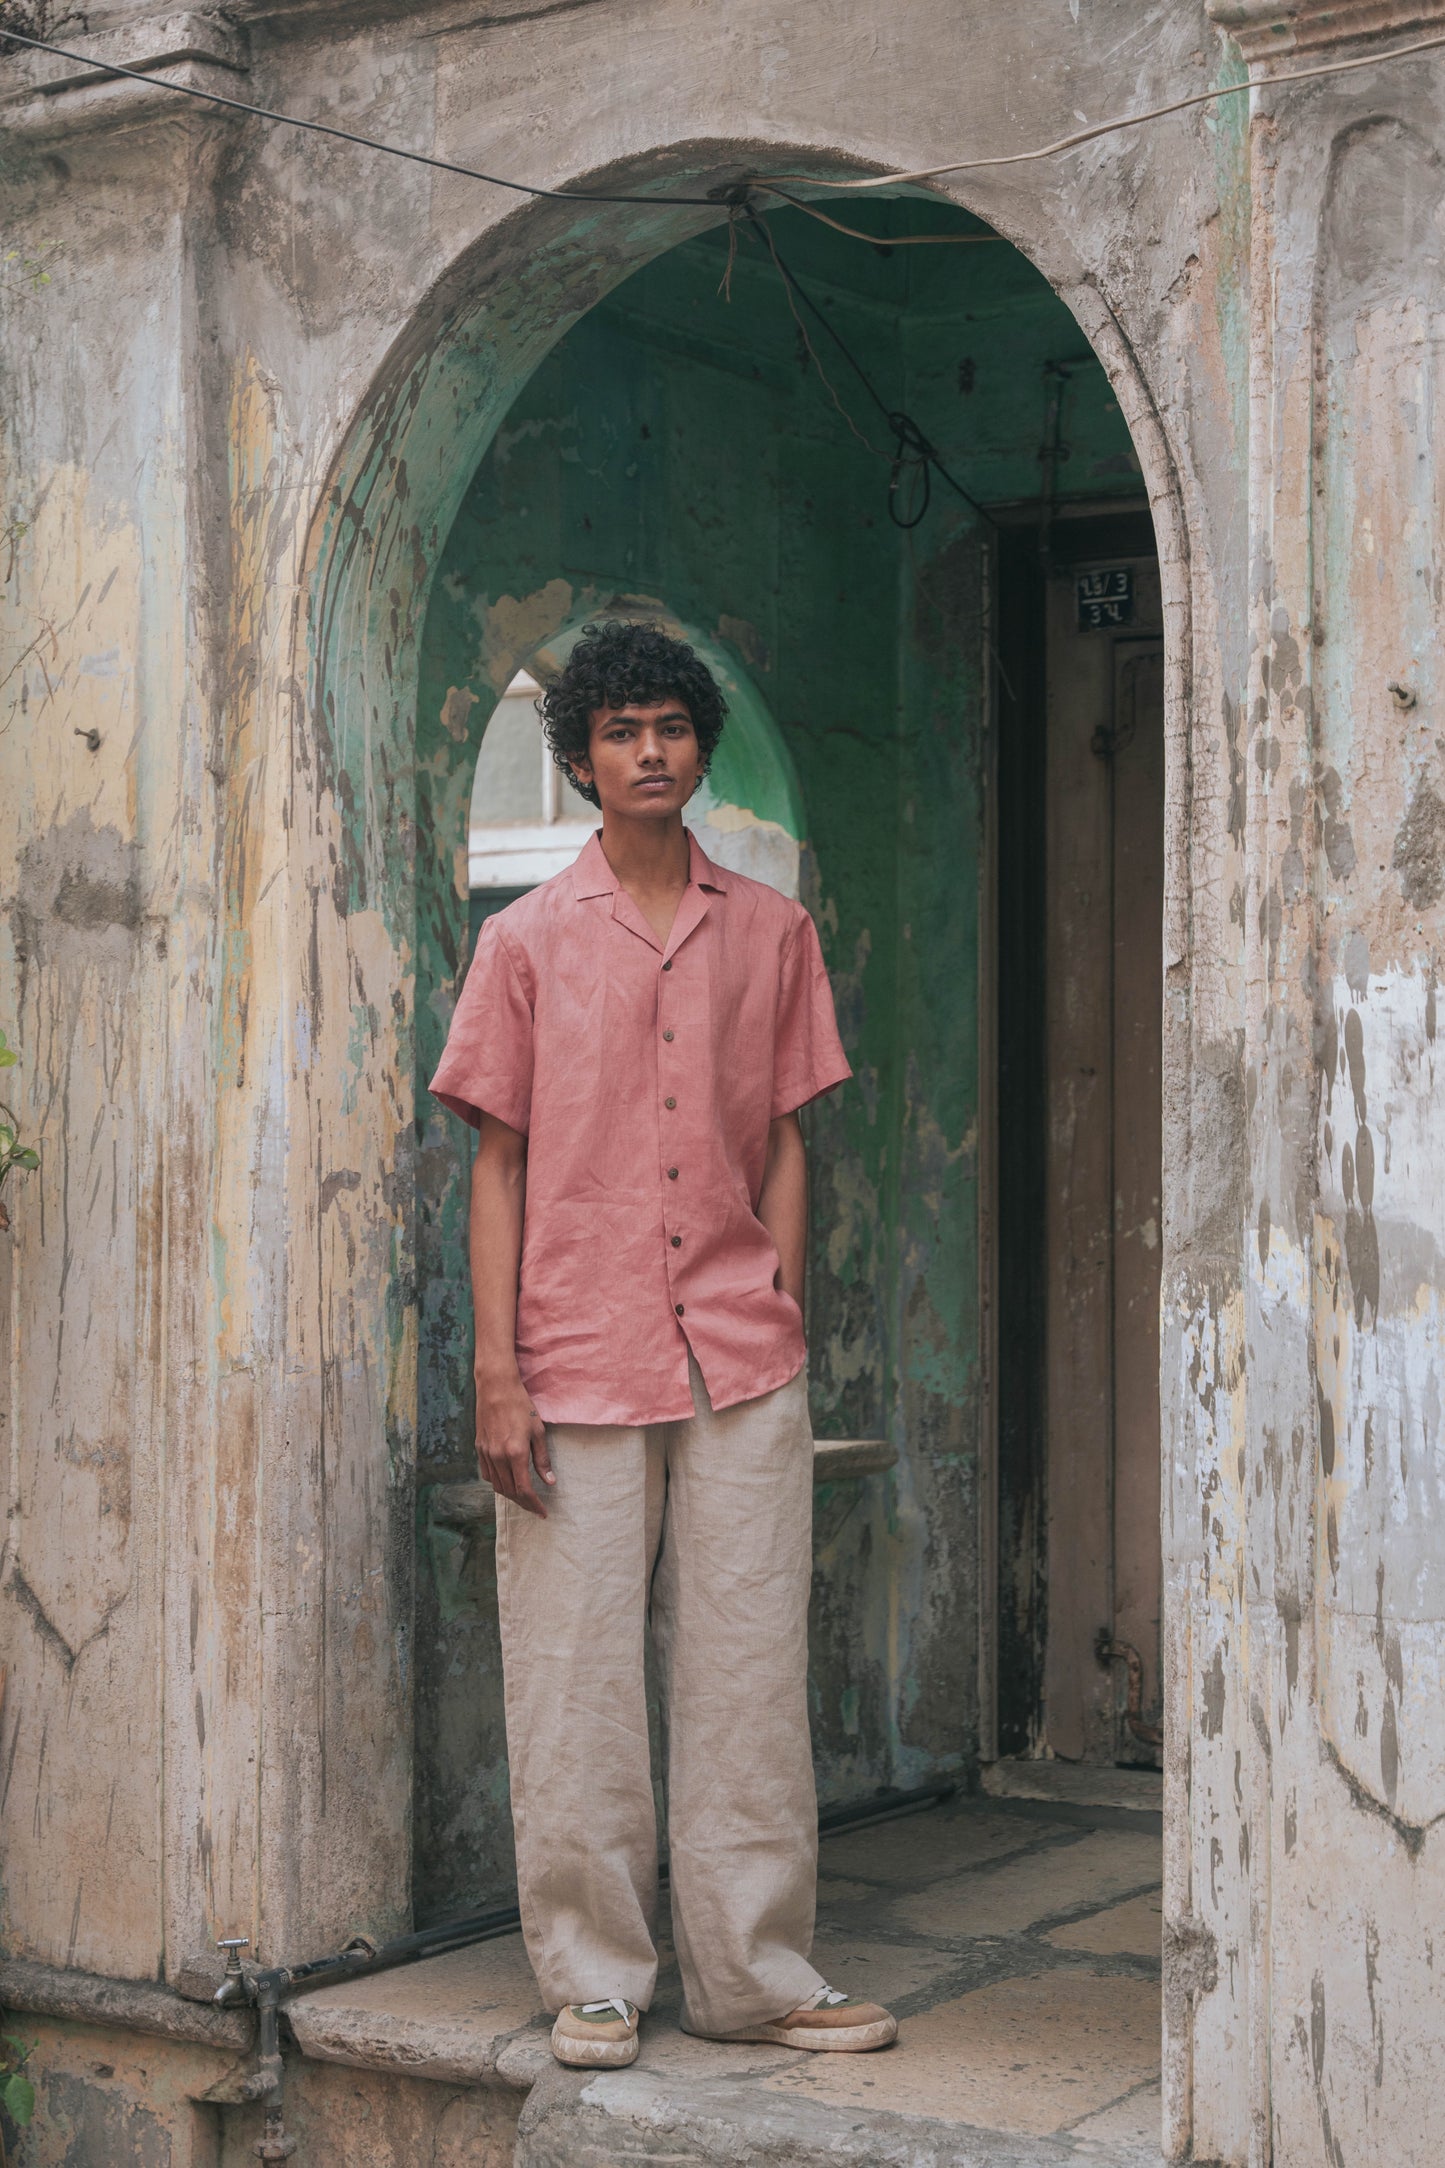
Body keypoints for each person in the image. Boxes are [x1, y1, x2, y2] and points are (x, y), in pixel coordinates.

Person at [430, 620, 897, 2070]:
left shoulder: (771, 930)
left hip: (740, 1359)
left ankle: (753, 1972)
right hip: (572, 1356)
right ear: (578, 760)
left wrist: (785, 1307)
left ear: (699, 749)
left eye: (672, 727)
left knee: (749, 1667)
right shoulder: (522, 943)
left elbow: (787, 1138)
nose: (650, 750)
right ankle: (594, 1974)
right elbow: (494, 1163)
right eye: (620, 730)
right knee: (573, 1674)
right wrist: (497, 1372)